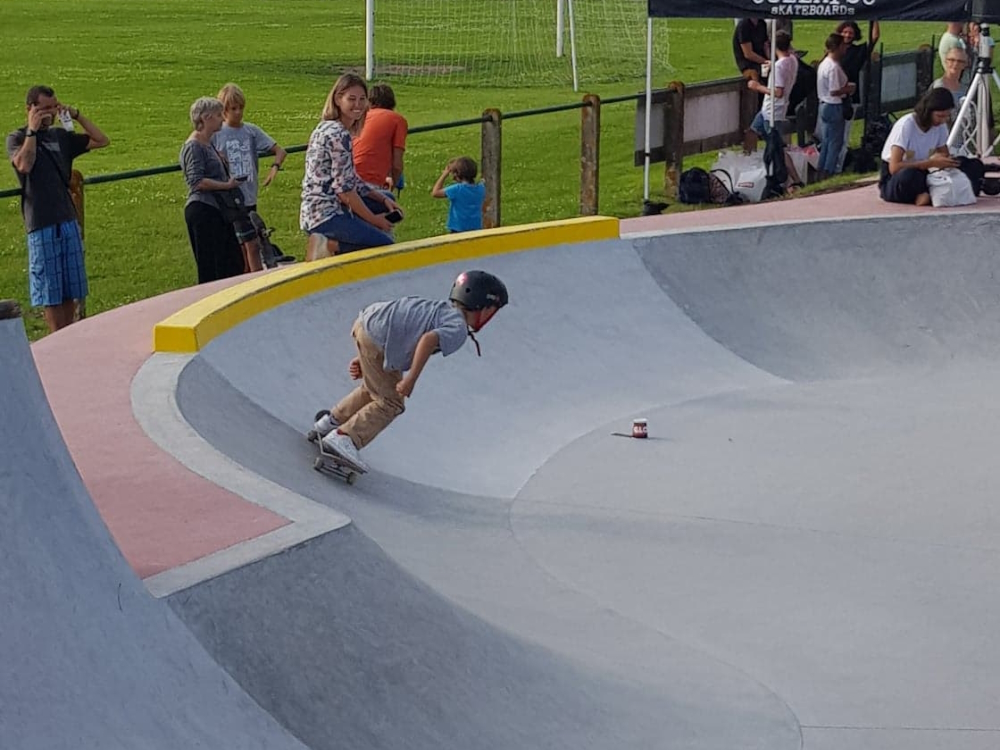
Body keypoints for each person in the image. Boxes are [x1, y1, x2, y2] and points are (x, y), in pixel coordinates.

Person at [310, 270, 508, 471]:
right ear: (483, 308)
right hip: (378, 339)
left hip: (368, 324)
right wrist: (411, 378)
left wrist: (365, 358)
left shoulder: (440, 309)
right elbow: (428, 340)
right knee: (391, 402)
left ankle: (329, 422)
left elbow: (404, 326)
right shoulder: (457, 328)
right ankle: (346, 437)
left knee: (374, 389)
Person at [7, 85, 110, 333]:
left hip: (66, 218)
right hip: (41, 222)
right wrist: (32, 130)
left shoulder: (59, 136)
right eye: (43, 109)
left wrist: (75, 114)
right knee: (50, 290)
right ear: (29, 109)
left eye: (52, 108)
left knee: (71, 287)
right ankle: (57, 337)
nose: (49, 115)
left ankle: (70, 335)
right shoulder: (18, 138)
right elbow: (24, 164)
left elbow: (101, 140)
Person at [300, 74, 402, 259]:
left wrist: (380, 198)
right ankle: (329, 245)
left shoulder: (326, 127)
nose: (358, 105)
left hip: (314, 207)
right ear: (338, 99)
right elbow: (344, 191)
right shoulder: (339, 135)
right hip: (325, 213)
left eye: (362, 99)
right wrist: (375, 220)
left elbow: (350, 178)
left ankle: (355, 234)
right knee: (384, 246)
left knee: (386, 198)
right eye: (351, 99)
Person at [212, 83, 290, 271]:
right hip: (230, 198)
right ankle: (251, 277)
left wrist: (274, 168)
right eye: (233, 109)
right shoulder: (217, 134)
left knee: (249, 243)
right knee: (249, 244)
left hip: (249, 196)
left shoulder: (251, 131)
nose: (238, 113)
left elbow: (279, 150)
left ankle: (248, 275)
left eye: (241, 108)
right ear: (223, 111)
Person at [179, 96, 245, 284]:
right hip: (203, 209)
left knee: (230, 262)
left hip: (216, 210)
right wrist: (227, 185)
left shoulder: (208, 144)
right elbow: (196, 181)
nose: (222, 119)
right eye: (218, 115)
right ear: (206, 118)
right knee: (211, 265)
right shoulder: (194, 146)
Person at [879, 88, 982, 205]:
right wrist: (930, 163)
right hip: (898, 176)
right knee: (910, 175)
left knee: (972, 165)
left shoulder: (940, 127)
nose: (943, 120)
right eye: (939, 116)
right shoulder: (906, 125)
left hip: (927, 171)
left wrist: (946, 162)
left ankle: (934, 192)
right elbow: (895, 167)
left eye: (946, 116)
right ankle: (925, 194)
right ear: (928, 112)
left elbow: (944, 153)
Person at [745, 31, 799, 154]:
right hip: (768, 109)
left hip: (773, 110)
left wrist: (758, 87)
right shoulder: (793, 60)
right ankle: (748, 158)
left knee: (774, 146)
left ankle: (779, 166)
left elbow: (778, 92)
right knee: (752, 131)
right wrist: (773, 63)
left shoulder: (779, 67)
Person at [352, 83, 407, 192]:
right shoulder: (397, 120)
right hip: (371, 179)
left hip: (348, 176)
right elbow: (397, 164)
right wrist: (392, 186)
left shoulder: (359, 116)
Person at [816, 33, 856, 180]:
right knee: (835, 142)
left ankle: (821, 169)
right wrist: (848, 89)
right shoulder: (833, 67)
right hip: (833, 105)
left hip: (824, 105)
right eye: (843, 46)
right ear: (838, 47)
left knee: (826, 140)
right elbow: (834, 90)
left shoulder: (824, 63)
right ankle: (829, 171)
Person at [431, 156, 486, 232]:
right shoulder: (481, 188)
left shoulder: (457, 189)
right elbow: (483, 182)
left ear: (457, 174)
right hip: (476, 228)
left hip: (458, 229)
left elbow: (435, 193)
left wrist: (444, 175)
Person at [931, 47, 969, 123]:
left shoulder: (966, 89)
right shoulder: (938, 87)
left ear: (965, 64)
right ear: (946, 61)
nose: (955, 64)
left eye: (960, 61)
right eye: (952, 60)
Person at [732, 17, 769, 83]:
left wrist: (770, 59)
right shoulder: (744, 26)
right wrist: (766, 61)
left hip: (761, 60)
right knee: (757, 75)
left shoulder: (762, 23)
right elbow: (748, 54)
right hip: (748, 64)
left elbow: (765, 45)